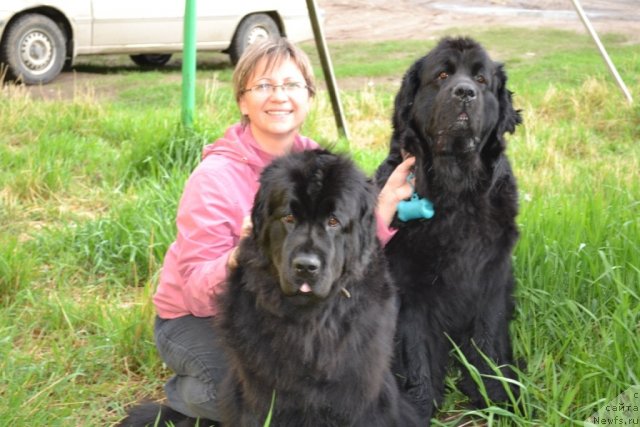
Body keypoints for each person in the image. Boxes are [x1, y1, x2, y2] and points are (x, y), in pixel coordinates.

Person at [151, 37, 416, 421]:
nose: (279, 96)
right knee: (237, 395)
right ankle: (182, 394)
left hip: (277, 308)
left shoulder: (321, 167)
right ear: (242, 100)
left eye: (291, 85)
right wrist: (239, 252)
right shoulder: (214, 179)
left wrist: (383, 208)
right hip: (195, 317)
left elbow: (346, 239)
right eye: (263, 86)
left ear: (308, 97)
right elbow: (194, 291)